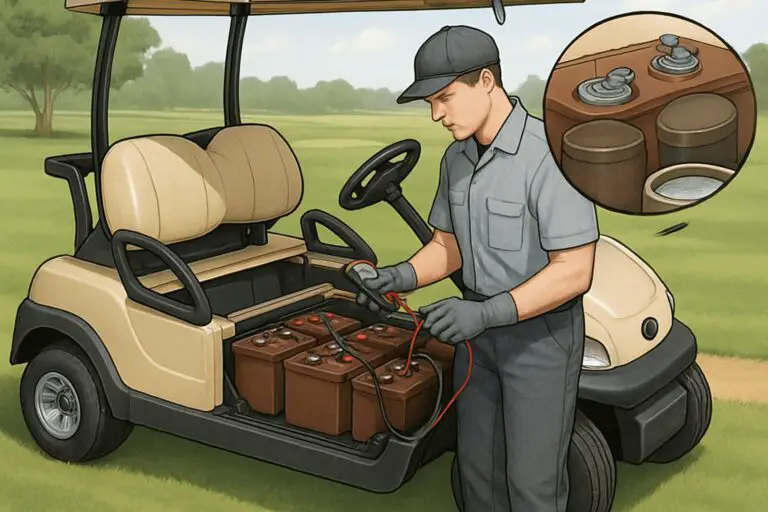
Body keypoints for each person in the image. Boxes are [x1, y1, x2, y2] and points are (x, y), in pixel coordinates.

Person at [356, 25, 599, 512]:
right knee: (477, 477)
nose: (436, 114)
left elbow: (575, 269)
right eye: (430, 102)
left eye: (445, 97)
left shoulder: (550, 153)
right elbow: (449, 246)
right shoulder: (456, 159)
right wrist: (400, 276)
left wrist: (488, 313)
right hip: (476, 341)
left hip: (540, 341)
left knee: (532, 486)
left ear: (487, 81)